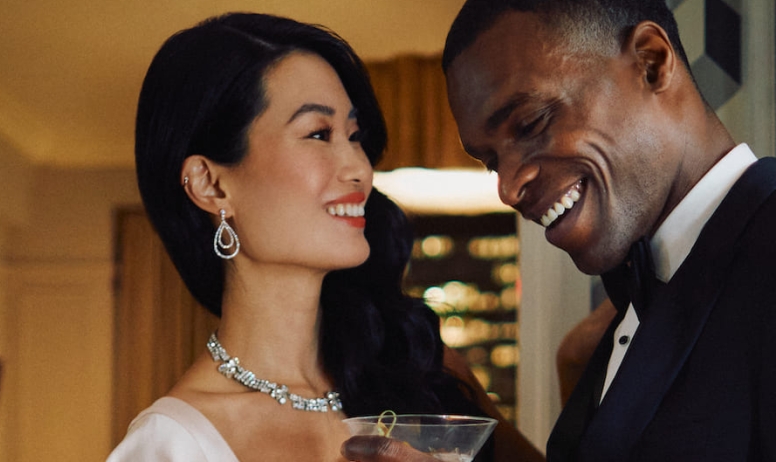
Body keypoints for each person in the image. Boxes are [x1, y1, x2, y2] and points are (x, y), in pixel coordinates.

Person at [346, 0, 776, 460]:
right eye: (491, 160)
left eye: (533, 121)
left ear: (652, 62)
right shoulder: (622, 316)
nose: (509, 185)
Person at [110, 13, 539, 461]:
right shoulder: (172, 445)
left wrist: (574, 363)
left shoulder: (423, 374)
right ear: (210, 184)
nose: (360, 169)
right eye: (318, 133)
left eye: (354, 136)